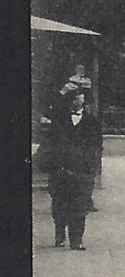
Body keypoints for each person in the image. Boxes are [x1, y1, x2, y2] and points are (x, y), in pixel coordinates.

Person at [41, 86, 100, 250]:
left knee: (80, 205)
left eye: (79, 98)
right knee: (59, 204)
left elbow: (96, 147)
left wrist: (90, 167)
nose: (76, 101)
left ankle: (76, 239)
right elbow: (50, 143)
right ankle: (59, 236)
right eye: (73, 98)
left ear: (84, 101)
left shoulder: (92, 122)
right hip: (61, 169)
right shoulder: (59, 120)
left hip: (81, 171)